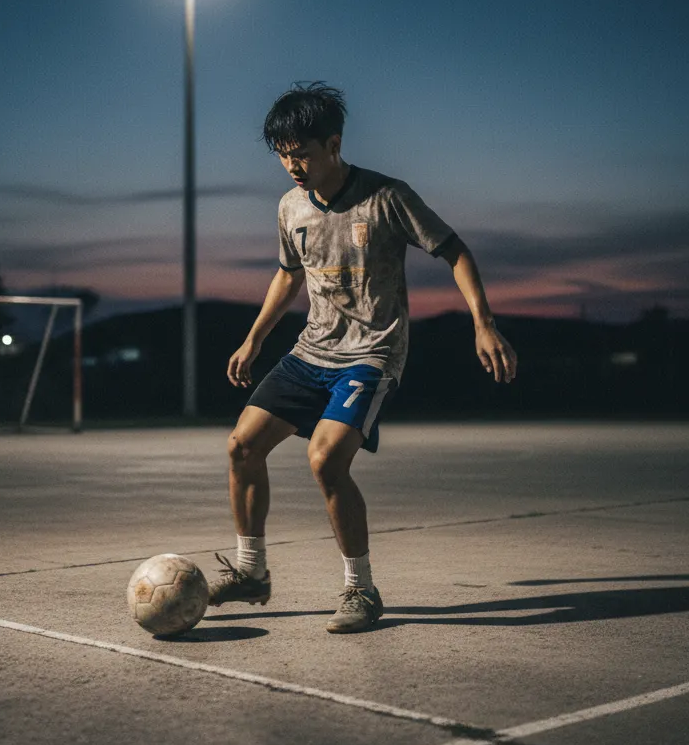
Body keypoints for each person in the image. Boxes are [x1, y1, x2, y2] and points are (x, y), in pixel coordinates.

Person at [207, 82, 517, 633]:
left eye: (301, 151)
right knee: (241, 447)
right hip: (311, 350)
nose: (291, 164)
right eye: (282, 153)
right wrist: (254, 338)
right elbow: (288, 273)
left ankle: (361, 590)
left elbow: (455, 251)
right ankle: (251, 572)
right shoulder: (290, 206)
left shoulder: (387, 197)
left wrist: (484, 324)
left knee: (326, 459)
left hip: (371, 353)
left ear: (334, 143)